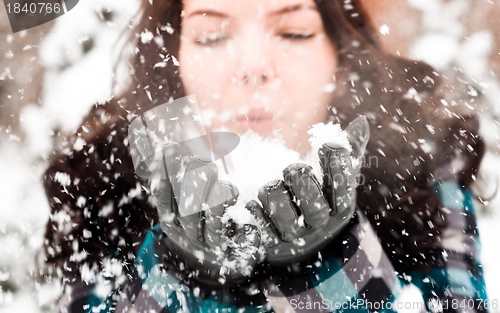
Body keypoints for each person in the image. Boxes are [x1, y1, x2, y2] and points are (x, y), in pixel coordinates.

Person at [42, 0, 489, 312]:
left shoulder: (416, 175)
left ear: (340, 53)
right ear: (172, 59)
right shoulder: (108, 184)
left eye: (293, 31)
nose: (253, 65)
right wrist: (183, 279)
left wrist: (330, 274)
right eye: (212, 35)